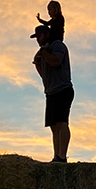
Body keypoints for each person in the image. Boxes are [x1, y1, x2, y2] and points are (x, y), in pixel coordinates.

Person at [32, 25, 73, 163]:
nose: (38, 39)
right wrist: (39, 63)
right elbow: (41, 69)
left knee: (62, 123)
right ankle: (57, 156)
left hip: (62, 89)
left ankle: (62, 157)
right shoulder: (44, 52)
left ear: (47, 34)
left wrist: (43, 54)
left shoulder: (57, 45)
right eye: (36, 37)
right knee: (53, 126)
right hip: (50, 92)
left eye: (40, 36)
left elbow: (56, 61)